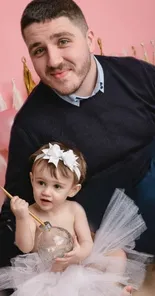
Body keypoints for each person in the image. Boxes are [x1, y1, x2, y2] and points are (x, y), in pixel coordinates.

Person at [1, 0, 155, 268]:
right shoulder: (31, 124)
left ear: (89, 38)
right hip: (114, 233)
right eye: (39, 50)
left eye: (63, 41)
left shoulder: (136, 74)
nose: (54, 61)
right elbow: (17, 208)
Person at [0, 142, 150, 296]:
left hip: (78, 262)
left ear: (73, 189)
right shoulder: (31, 213)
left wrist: (79, 255)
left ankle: (109, 292)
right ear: (32, 179)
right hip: (47, 271)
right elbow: (25, 247)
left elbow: (87, 242)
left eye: (57, 187)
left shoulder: (74, 210)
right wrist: (22, 218)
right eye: (41, 183)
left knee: (117, 254)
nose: (47, 192)